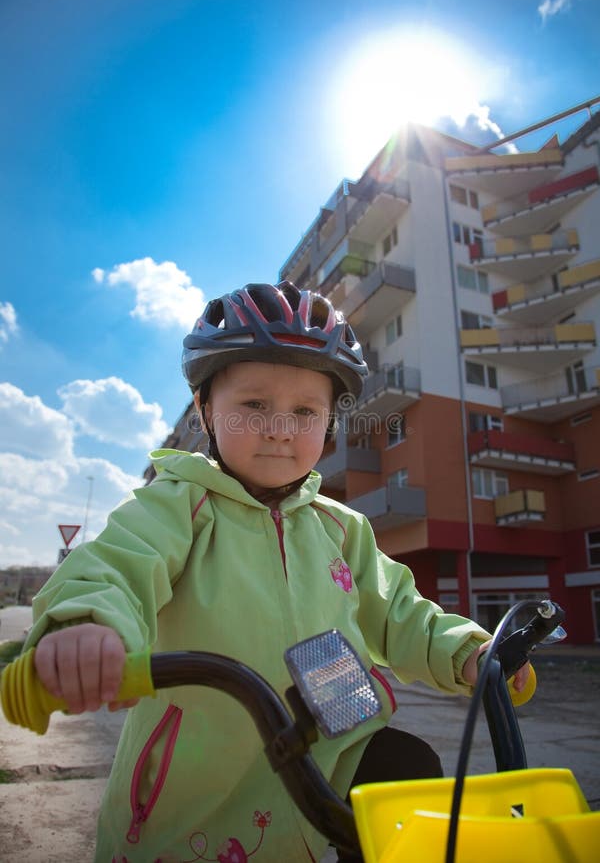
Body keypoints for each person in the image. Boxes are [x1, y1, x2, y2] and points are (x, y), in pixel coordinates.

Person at [25, 281, 529, 863]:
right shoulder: (177, 506)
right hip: (199, 797)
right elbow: (115, 564)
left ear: (329, 421)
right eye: (253, 406)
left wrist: (468, 652)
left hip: (332, 767)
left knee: (408, 769)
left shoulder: (341, 528)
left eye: (305, 411)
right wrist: (88, 625)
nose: (280, 428)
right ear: (205, 410)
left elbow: (399, 613)